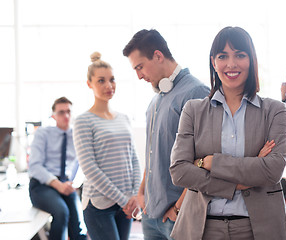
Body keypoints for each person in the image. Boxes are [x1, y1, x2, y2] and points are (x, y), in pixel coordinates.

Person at [169, 26, 286, 240]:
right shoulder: (193, 110)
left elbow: (272, 171)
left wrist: (209, 162)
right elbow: (179, 171)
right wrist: (245, 176)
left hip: (260, 230)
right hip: (201, 229)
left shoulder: (274, 110)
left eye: (240, 55)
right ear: (213, 62)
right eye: (223, 56)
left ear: (251, 59)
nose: (231, 64)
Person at [123, 29, 210, 239]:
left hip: (178, 216)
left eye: (140, 67)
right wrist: (142, 192)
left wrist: (178, 209)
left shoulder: (197, 93)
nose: (139, 75)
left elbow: (204, 162)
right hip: (151, 215)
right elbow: (153, 153)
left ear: (158, 55)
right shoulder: (155, 100)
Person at [73, 52, 141, 240]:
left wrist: (135, 196)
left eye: (112, 79)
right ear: (89, 84)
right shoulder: (83, 121)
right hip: (99, 205)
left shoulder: (124, 118)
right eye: (101, 81)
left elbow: (133, 159)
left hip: (126, 203)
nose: (109, 86)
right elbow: (89, 169)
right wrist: (124, 200)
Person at [28, 96, 87, 240]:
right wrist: (57, 184)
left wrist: (73, 183)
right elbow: (35, 166)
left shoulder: (77, 135)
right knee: (61, 212)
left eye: (68, 112)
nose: (66, 116)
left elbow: (82, 163)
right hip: (43, 185)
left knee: (78, 224)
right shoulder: (43, 133)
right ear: (53, 116)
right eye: (61, 112)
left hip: (66, 184)